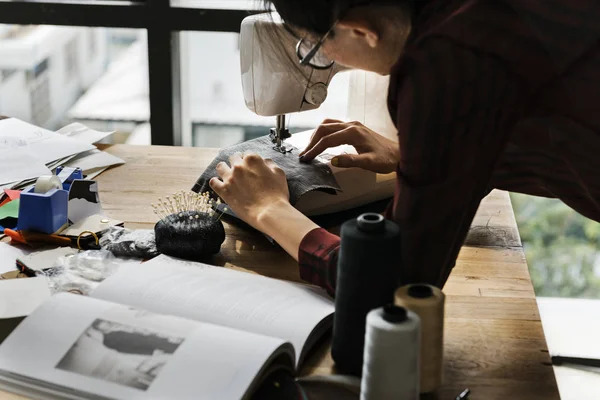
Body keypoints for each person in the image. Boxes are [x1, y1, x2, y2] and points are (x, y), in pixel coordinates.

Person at [209, 0, 600, 297]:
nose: (324, 57)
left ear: (361, 30)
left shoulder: (445, 61)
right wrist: (416, 152)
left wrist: (269, 209)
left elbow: (395, 281)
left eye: (314, 47)